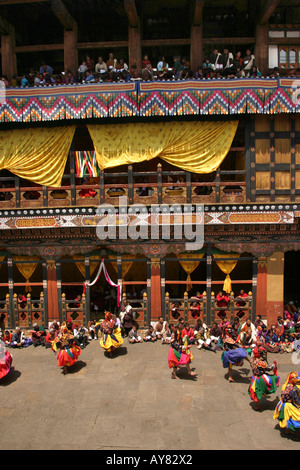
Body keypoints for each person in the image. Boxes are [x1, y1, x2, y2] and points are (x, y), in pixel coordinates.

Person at [248, 346, 280, 410]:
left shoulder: (252, 361)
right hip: (261, 378)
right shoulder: (261, 363)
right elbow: (269, 368)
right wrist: (274, 364)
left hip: (255, 377)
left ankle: (256, 405)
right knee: (274, 379)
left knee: (256, 390)